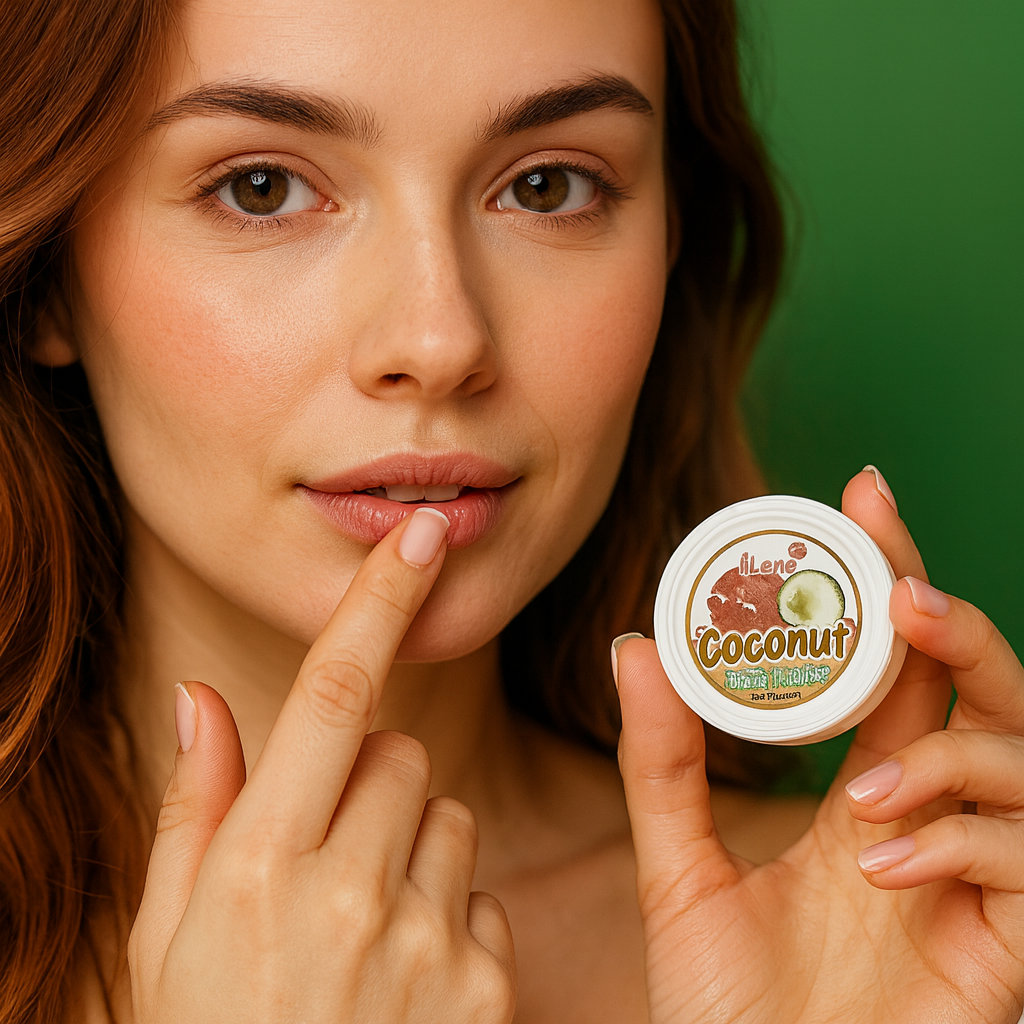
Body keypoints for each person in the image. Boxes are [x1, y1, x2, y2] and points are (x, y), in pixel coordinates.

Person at [1, 0, 1022, 1020]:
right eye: (261, 188)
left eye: (548, 186)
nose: (441, 337)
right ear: (50, 274)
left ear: (670, 234)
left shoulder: (900, 950)